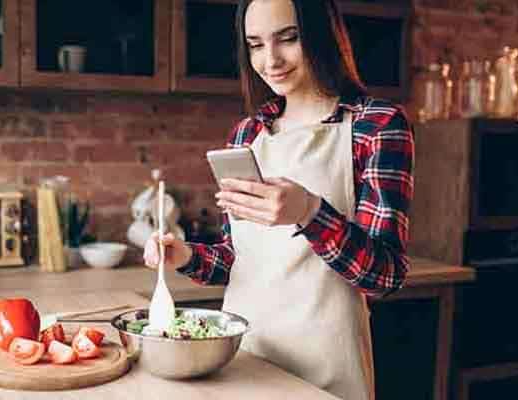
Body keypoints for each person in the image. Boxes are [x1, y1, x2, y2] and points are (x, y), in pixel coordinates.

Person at [144, 0, 414, 398]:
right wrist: (183, 256)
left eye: (288, 38)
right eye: (254, 44)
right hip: (245, 362)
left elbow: (384, 276)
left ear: (323, 34)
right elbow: (241, 259)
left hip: (326, 371)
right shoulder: (246, 134)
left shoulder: (376, 125)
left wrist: (308, 212)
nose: (270, 60)